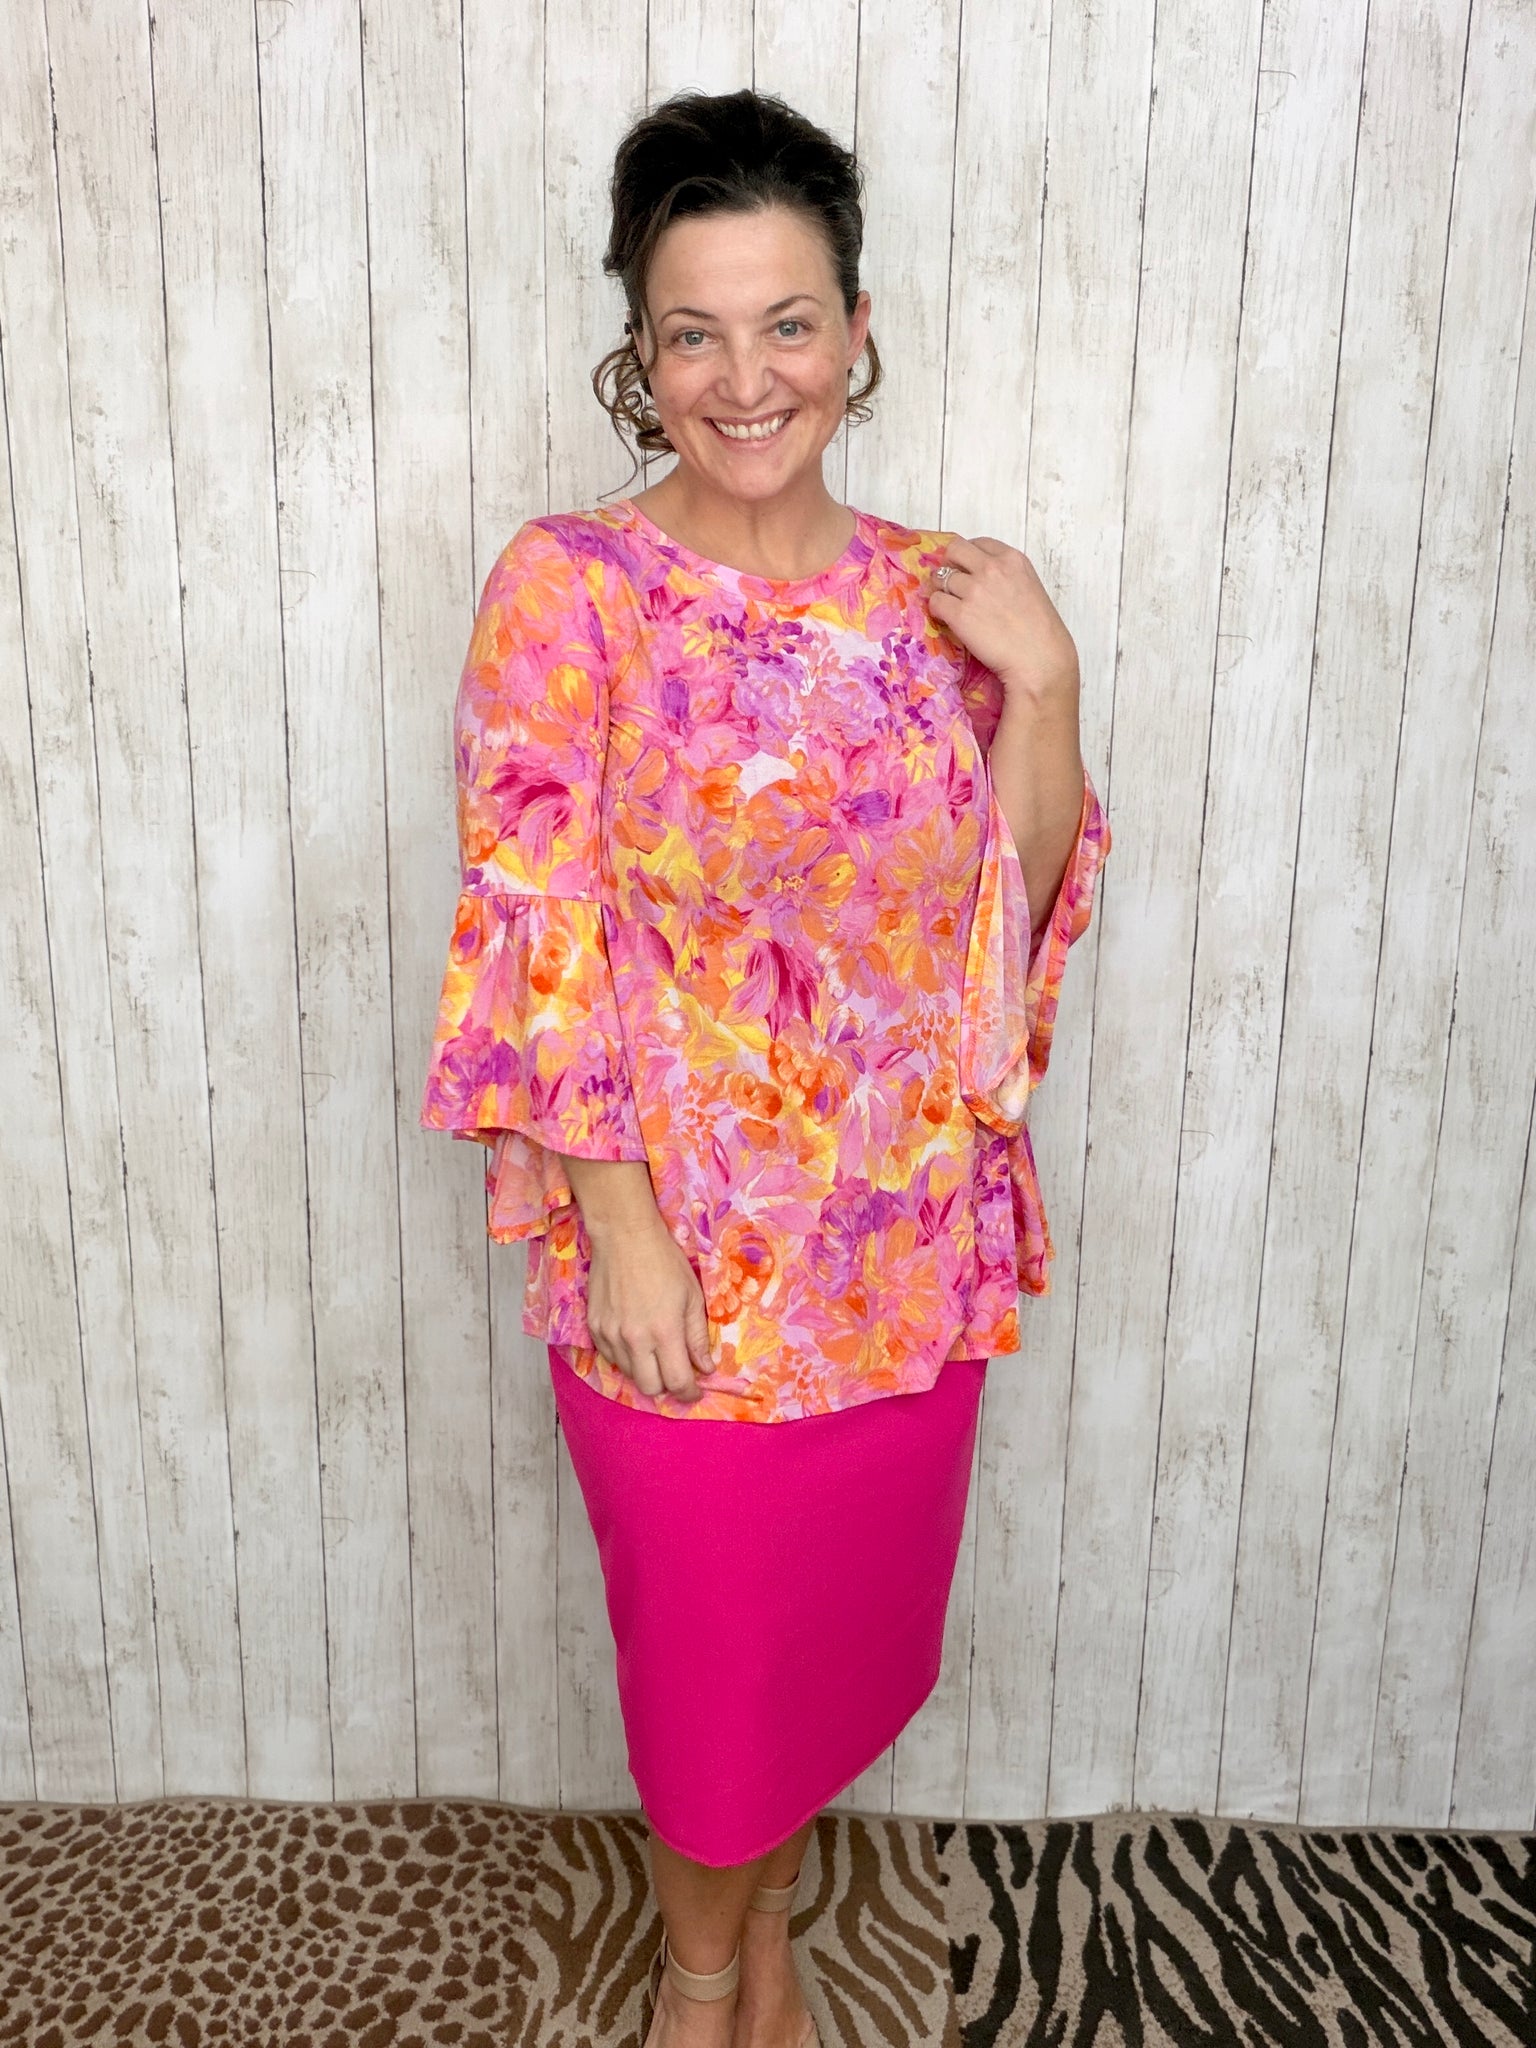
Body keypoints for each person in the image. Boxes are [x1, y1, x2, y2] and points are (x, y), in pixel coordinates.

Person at [420, 87, 1109, 2048]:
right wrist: (623, 1232)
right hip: (681, 1263)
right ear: (640, 354)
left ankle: (766, 1927)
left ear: (857, 329)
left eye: (788, 323)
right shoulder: (569, 588)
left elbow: (1007, 918)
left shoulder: (941, 596)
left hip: (900, 1252)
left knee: (816, 1656)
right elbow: (535, 921)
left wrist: (1048, 686)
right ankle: (703, 1970)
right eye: (695, 332)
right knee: (713, 1674)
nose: (747, 379)